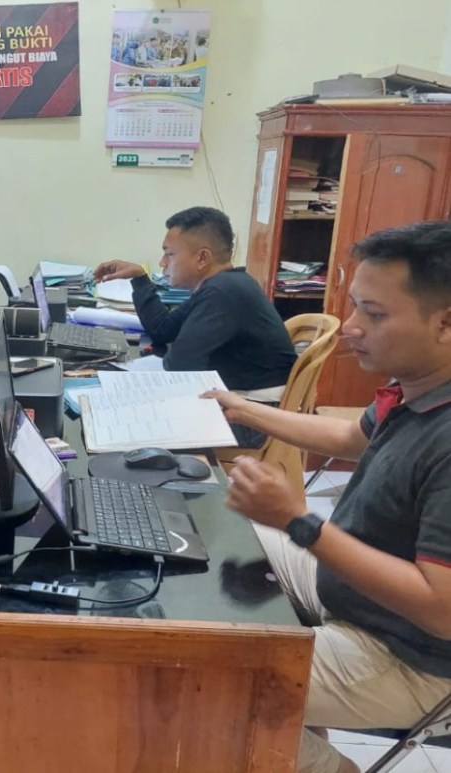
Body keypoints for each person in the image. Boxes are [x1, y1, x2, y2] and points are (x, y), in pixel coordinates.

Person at [204, 220, 451, 773]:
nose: (352, 328)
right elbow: (349, 438)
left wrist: (300, 522)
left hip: (410, 656)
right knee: (221, 541)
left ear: (446, 323)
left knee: (198, 681)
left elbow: (442, 612)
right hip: (355, 595)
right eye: (356, 306)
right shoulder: (418, 385)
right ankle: (293, 725)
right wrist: (243, 408)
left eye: (375, 315)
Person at [94, 206, 296, 447]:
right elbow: (163, 329)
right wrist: (139, 279)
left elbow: (179, 366)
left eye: (169, 254)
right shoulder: (221, 285)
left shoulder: (223, 292)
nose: (162, 263)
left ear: (202, 258)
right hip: (243, 405)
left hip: (254, 418)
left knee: (122, 423)